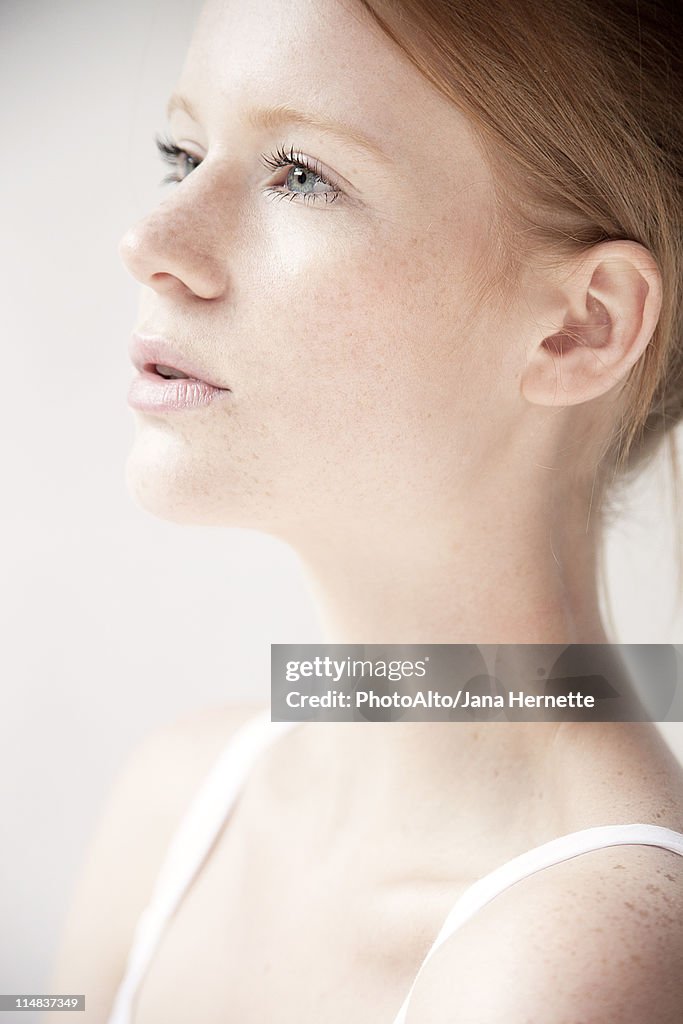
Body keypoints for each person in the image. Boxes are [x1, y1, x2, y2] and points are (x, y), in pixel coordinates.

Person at [46, 0, 683, 1021]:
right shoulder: (175, 803)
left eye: (301, 174)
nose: (151, 240)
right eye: (181, 151)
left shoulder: (582, 953)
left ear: (581, 324)